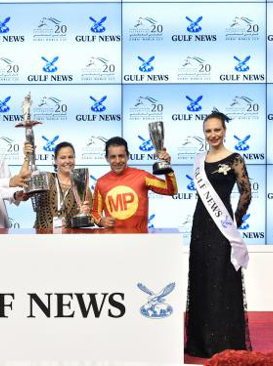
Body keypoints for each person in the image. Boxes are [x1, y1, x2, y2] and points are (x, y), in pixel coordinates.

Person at [185, 111, 252, 358]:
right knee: (202, 278)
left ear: (224, 130)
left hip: (222, 228)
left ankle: (225, 342)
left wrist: (235, 222)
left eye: (217, 130)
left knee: (222, 280)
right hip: (200, 225)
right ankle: (201, 342)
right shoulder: (199, 159)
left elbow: (246, 193)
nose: (213, 135)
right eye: (208, 131)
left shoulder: (235, 159)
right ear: (204, 133)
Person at [91, 136, 177, 232]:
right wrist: (101, 220)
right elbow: (94, 212)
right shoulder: (101, 182)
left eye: (121, 156)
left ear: (127, 156)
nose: (118, 161)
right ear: (106, 158)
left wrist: (167, 166)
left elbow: (171, 190)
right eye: (113, 157)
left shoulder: (142, 176)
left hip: (140, 240)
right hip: (112, 241)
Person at [30, 141, 92, 229]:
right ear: (55, 160)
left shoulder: (83, 188)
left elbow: (87, 222)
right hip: (42, 237)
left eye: (70, 157)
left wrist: (83, 215)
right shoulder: (46, 178)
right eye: (63, 158)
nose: (67, 161)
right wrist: (29, 158)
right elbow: (27, 181)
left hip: (68, 240)